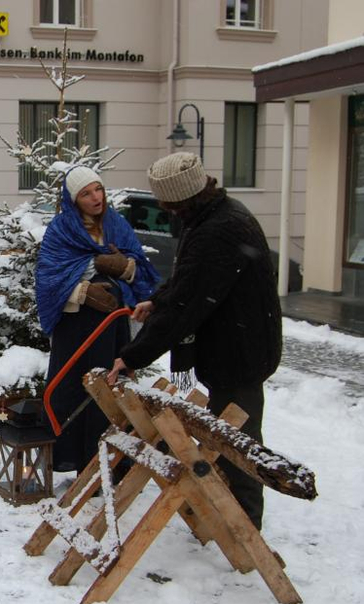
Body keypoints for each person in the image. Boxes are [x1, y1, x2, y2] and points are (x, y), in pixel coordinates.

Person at [107, 152, 280, 530]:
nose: (167, 211)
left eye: (168, 204)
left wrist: (132, 356)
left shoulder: (218, 230)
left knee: (237, 442)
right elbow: (186, 280)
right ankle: (230, 513)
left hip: (240, 352)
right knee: (227, 434)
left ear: (181, 199)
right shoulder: (214, 216)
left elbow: (187, 303)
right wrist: (158, 301)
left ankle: (244, 527)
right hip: (237, 346)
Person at [36, 166, 159, 473]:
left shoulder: (116, 224)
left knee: (110, 389)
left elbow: (140, 270)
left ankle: (113, 463)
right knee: (74, 389)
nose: (96, 198)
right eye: (86, 193)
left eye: (98, 189)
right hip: (75, 328)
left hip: (111, 327)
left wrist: (124, 267)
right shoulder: (61, 229)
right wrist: (83, 291)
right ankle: (76, 460)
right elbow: (48, 281)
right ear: (73, 199)